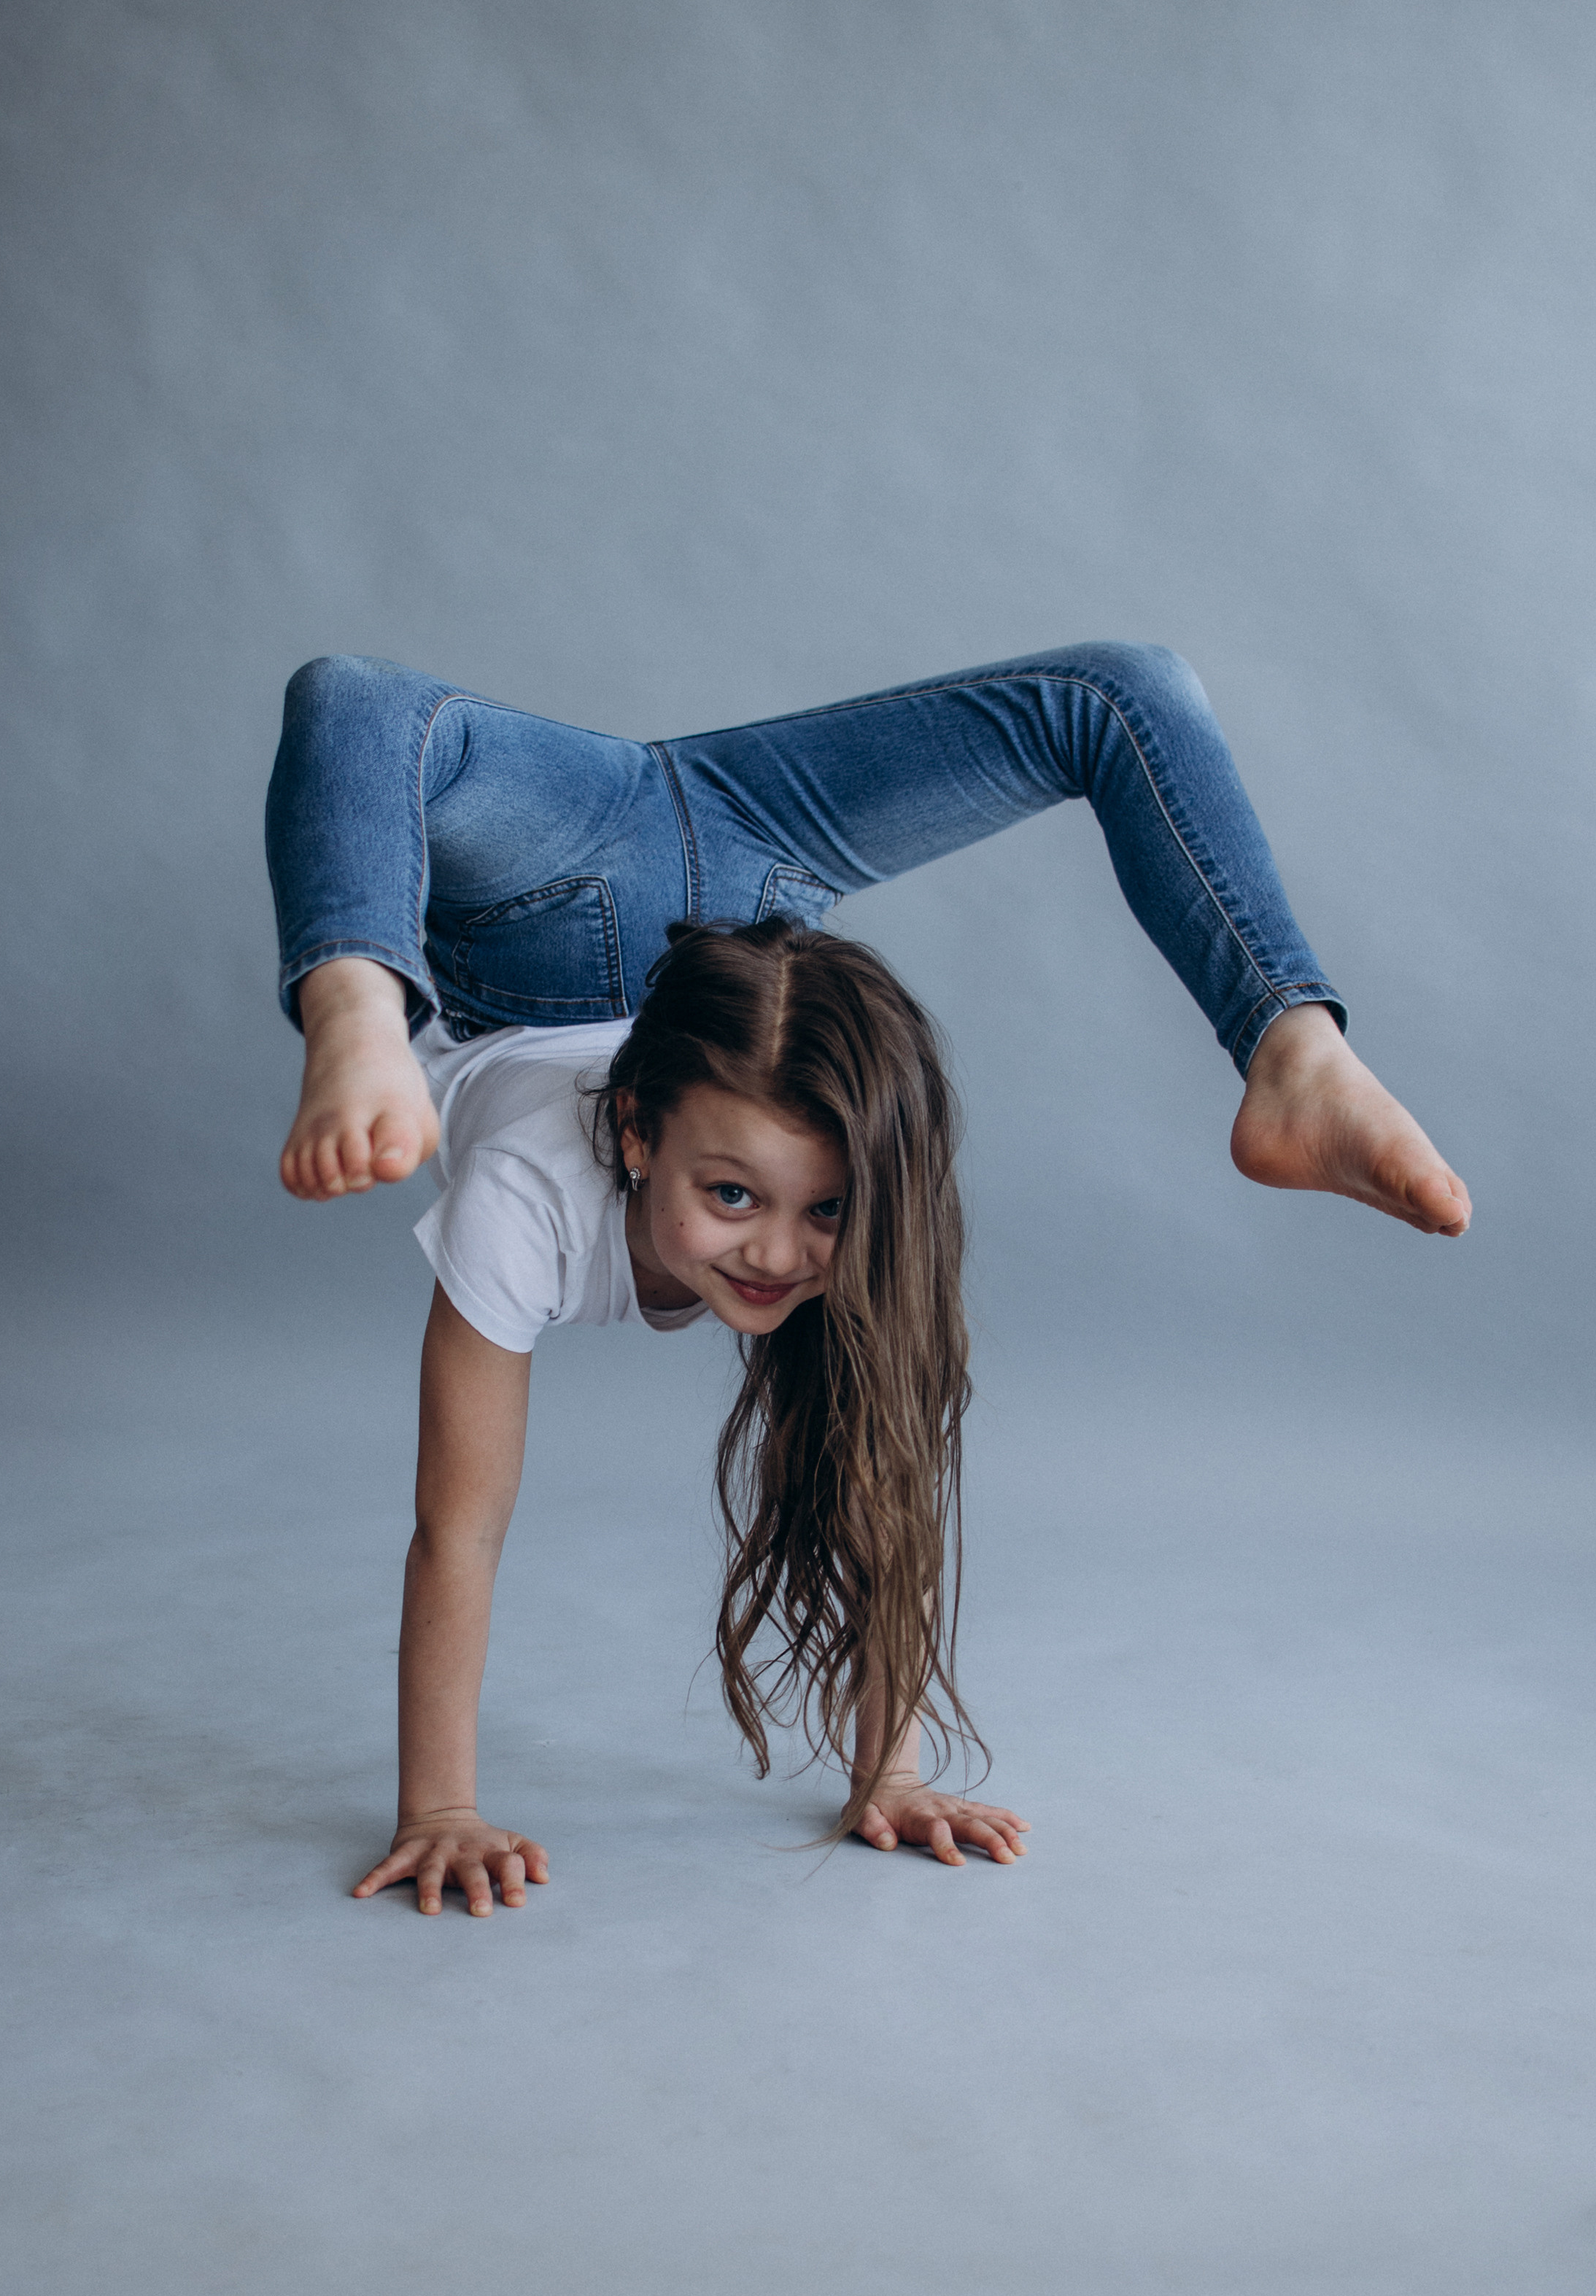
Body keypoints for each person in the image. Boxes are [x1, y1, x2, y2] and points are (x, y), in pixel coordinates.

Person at [266, 645, 1470, 1917]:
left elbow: (877, 1469)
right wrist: (441, 1810)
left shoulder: (840, 1186)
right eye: (731, 1198)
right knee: (353, 704)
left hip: (748, 901)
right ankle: (358, 1006)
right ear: (630, 1138)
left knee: (1126, 693)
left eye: (821, 1211)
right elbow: (459, 1528)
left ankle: (1292, 1048)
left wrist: (886, 1772)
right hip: (545, 921)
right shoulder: (526, 1201)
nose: (779, 1254)